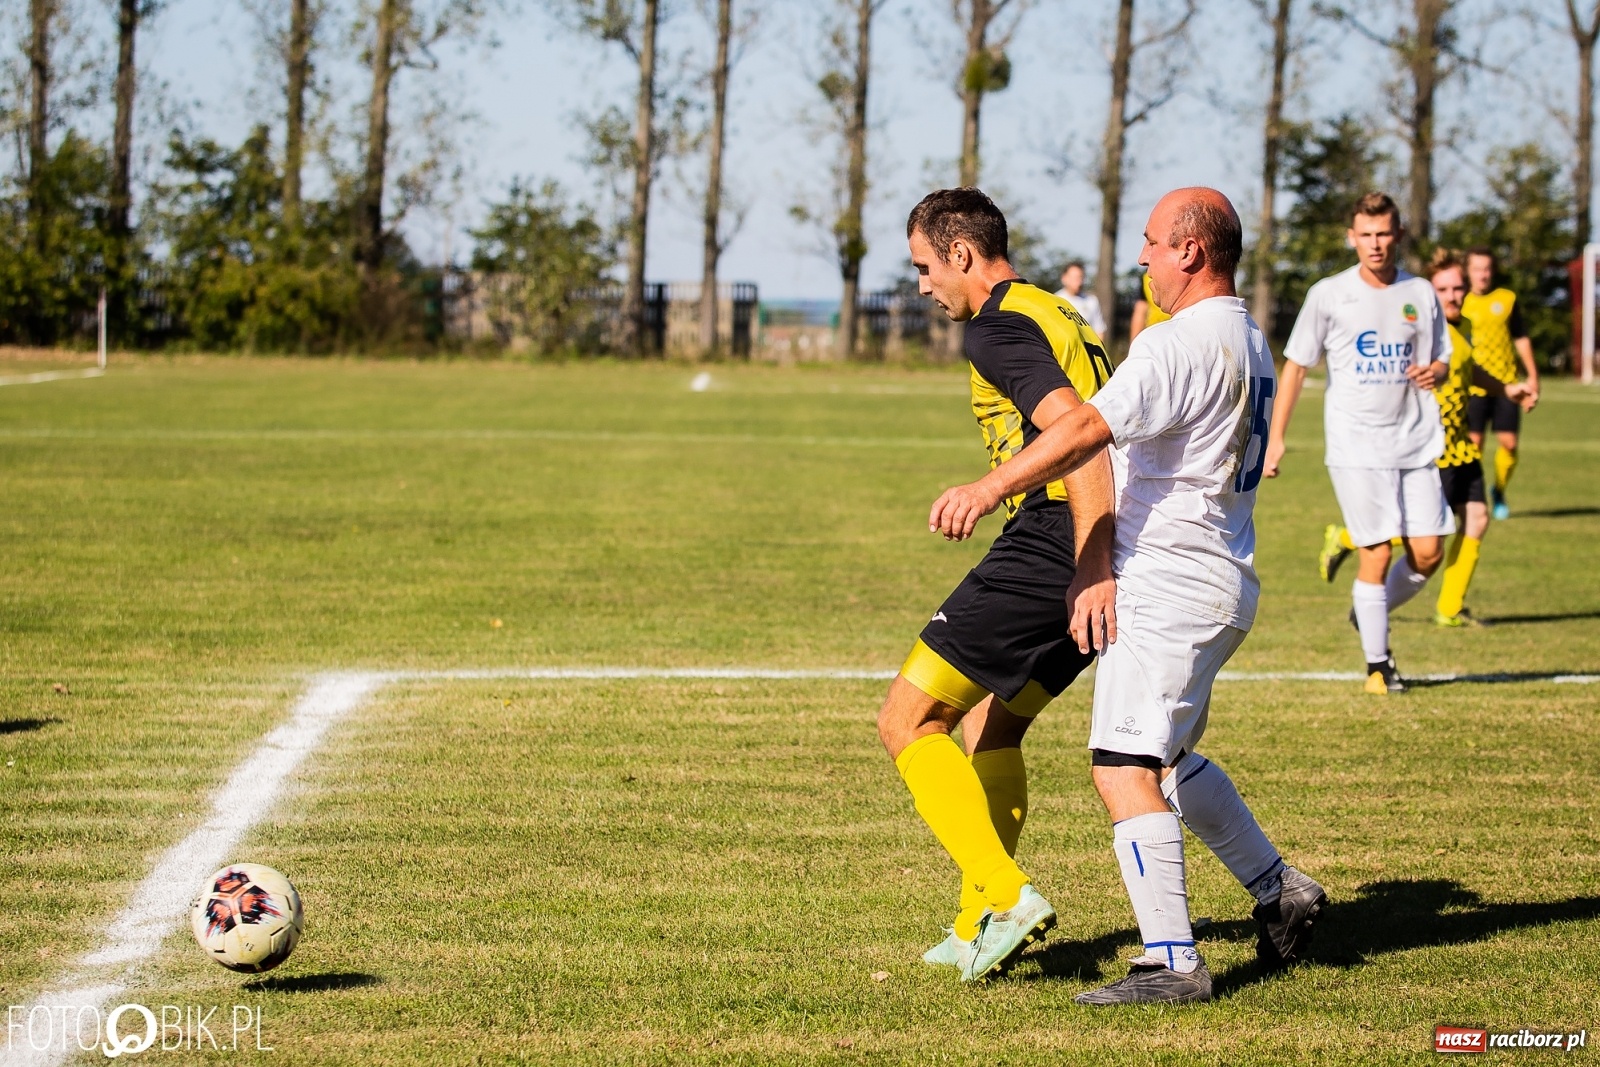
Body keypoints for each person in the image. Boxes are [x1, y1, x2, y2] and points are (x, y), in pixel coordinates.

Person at [929, 187, 1325, 1006]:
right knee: (1168, 759)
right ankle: (1280, 887)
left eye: (1150, 243)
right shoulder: (1247, 333)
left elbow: (1079, 430)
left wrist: (989, 483)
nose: (1140, 257)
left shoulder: (1180, 343)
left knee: (1122, 765)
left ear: (1190, 251)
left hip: (1171, 578)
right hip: (1222, 573)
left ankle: (1171, 961)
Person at [881, 186, 1118, 983]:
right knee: (992, 728)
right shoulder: (1058, 309)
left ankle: (1007, 894)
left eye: (923, 267)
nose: (922, 286)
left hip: (1058, 538)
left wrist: (1082, 551)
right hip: (1099, 543)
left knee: (909, 720)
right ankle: (977, 917)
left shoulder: (997, 328)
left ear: (960, 253)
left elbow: (1078, 436)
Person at [1265, 192, 1451, 695]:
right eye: (1365, 234)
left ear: (1399, 235)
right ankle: (1379, 665)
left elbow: (1443, 358)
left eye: (1383, 233)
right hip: (1356, 445)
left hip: (1415, 441)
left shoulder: (1422, 293)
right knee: (1376, 554)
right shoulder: (1329, 294)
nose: (1375, 243)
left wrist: (1433, 371)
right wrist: (1276, 438)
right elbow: (1297, 365)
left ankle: (1367, 609)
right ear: (1352, 237)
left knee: (1430, 554)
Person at [1321, 251, 1532, 624]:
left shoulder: (1462, 327)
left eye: (1459, 288)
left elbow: (1469, 369)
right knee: (1421, 532)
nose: (1453, 296)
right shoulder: (1420, 330)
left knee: (1476, 520)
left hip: (1461, 447)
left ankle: (1450, 607)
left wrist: (1507, 389)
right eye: (1444, 289)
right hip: (1430, 450)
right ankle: (1350, 540)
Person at [1462, 248, 1540, 519]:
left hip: (1507, 383)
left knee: (1508, 443)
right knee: (1474, 445)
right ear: (1467, 271)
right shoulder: (1458, 300)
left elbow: (1520, 337)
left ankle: (1499, 490)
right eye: (1477, 268)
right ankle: (1475, 496)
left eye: (1487, 269)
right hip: (1473, 386)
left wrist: (1533, 376)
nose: (1483, 274)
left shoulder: (1506, 299)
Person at [1055, 261, 1108, 337]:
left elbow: (1099, 330)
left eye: (1081, 277)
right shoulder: (1056, 300)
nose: (1079, 282)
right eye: (1075, 278)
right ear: (1064, 278)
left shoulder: (1091, 301)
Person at [1128, 270, 1170, 341]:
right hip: (1155, 334)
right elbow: (1140, 311)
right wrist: (1134, 345)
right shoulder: (1146, 277)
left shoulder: (1146, 277)